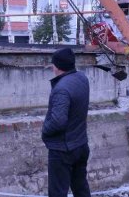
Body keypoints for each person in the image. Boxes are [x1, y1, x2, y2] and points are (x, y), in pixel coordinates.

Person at [42, 48, 91, 197]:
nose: (52, 67)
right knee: (80, 187)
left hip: (63, 150)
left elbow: (58, 121)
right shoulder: (82, 78)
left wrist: (44, 130)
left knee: (57, 192)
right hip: (81, 144)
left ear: (57, 66)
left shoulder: (61, 89)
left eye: (53, 64)